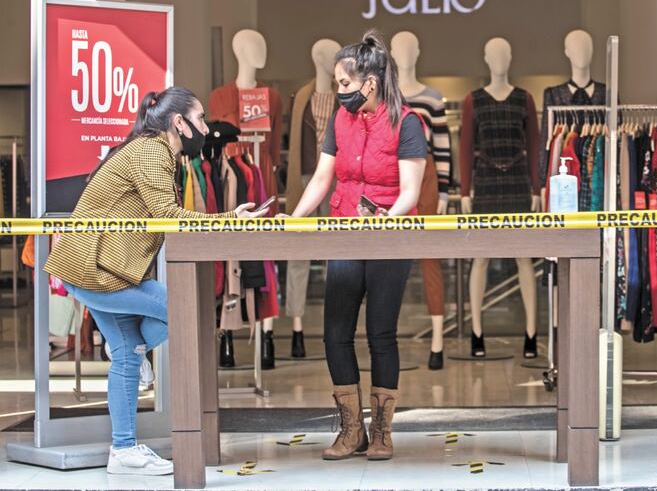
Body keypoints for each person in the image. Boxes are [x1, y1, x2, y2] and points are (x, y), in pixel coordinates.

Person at [43, 86, 265, 476]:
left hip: (95, 267)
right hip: (94, 269)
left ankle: (123, 450)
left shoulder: (154, 151)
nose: (205, 128)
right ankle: (138, 353)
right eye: (200, 119)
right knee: (184, 307)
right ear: (179, 122)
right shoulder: (152, 151)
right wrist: (229, 218)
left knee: (127, 354)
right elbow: (167, 215)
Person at [284, 31, 426, 461]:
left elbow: (410, 192)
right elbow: (323, 178)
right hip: (344, 232)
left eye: (345, 83)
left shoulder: (407, 122)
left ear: (371, 82)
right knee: (335, 334)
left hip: (388, 240)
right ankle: (352, 431)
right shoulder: (340, 121)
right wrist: (294, 220)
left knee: (381, 333)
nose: (340, 90)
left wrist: (386, 220)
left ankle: (382, 432)